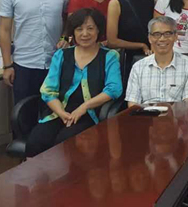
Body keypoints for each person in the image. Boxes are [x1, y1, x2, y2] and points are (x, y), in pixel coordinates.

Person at [25, 9, 122, 157]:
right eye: (79, 29)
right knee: (36, 141)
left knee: (66, 143)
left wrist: (84, 107)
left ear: (98, 31)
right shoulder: (61, 55)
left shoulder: (110, 56)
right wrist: (61, 113)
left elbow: (114, 89)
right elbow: (48, 90)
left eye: (90, 28)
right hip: (59, 112)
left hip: (89, 115)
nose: (85, 34)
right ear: (73, 32)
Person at [0, 0, 69, 104]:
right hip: (24, 65)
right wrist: (8, 65)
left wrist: (65, 37)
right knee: (24, 113)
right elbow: (4, 30)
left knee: (53, 112)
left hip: (55, 63)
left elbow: (69, 18)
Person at [126, 16, 188, 106]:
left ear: (176, 36)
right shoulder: (138, 67)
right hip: (145, 114)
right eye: (156, 34)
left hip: (177, 114)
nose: (162, 39)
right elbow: (133, 104)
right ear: (149, 38)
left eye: (167, 34)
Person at [106, 0, 155, 78]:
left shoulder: (151, 2)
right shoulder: (116, 3)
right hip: (125, 60)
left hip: (148, 58)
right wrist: (141, 45)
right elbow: (112, 41)